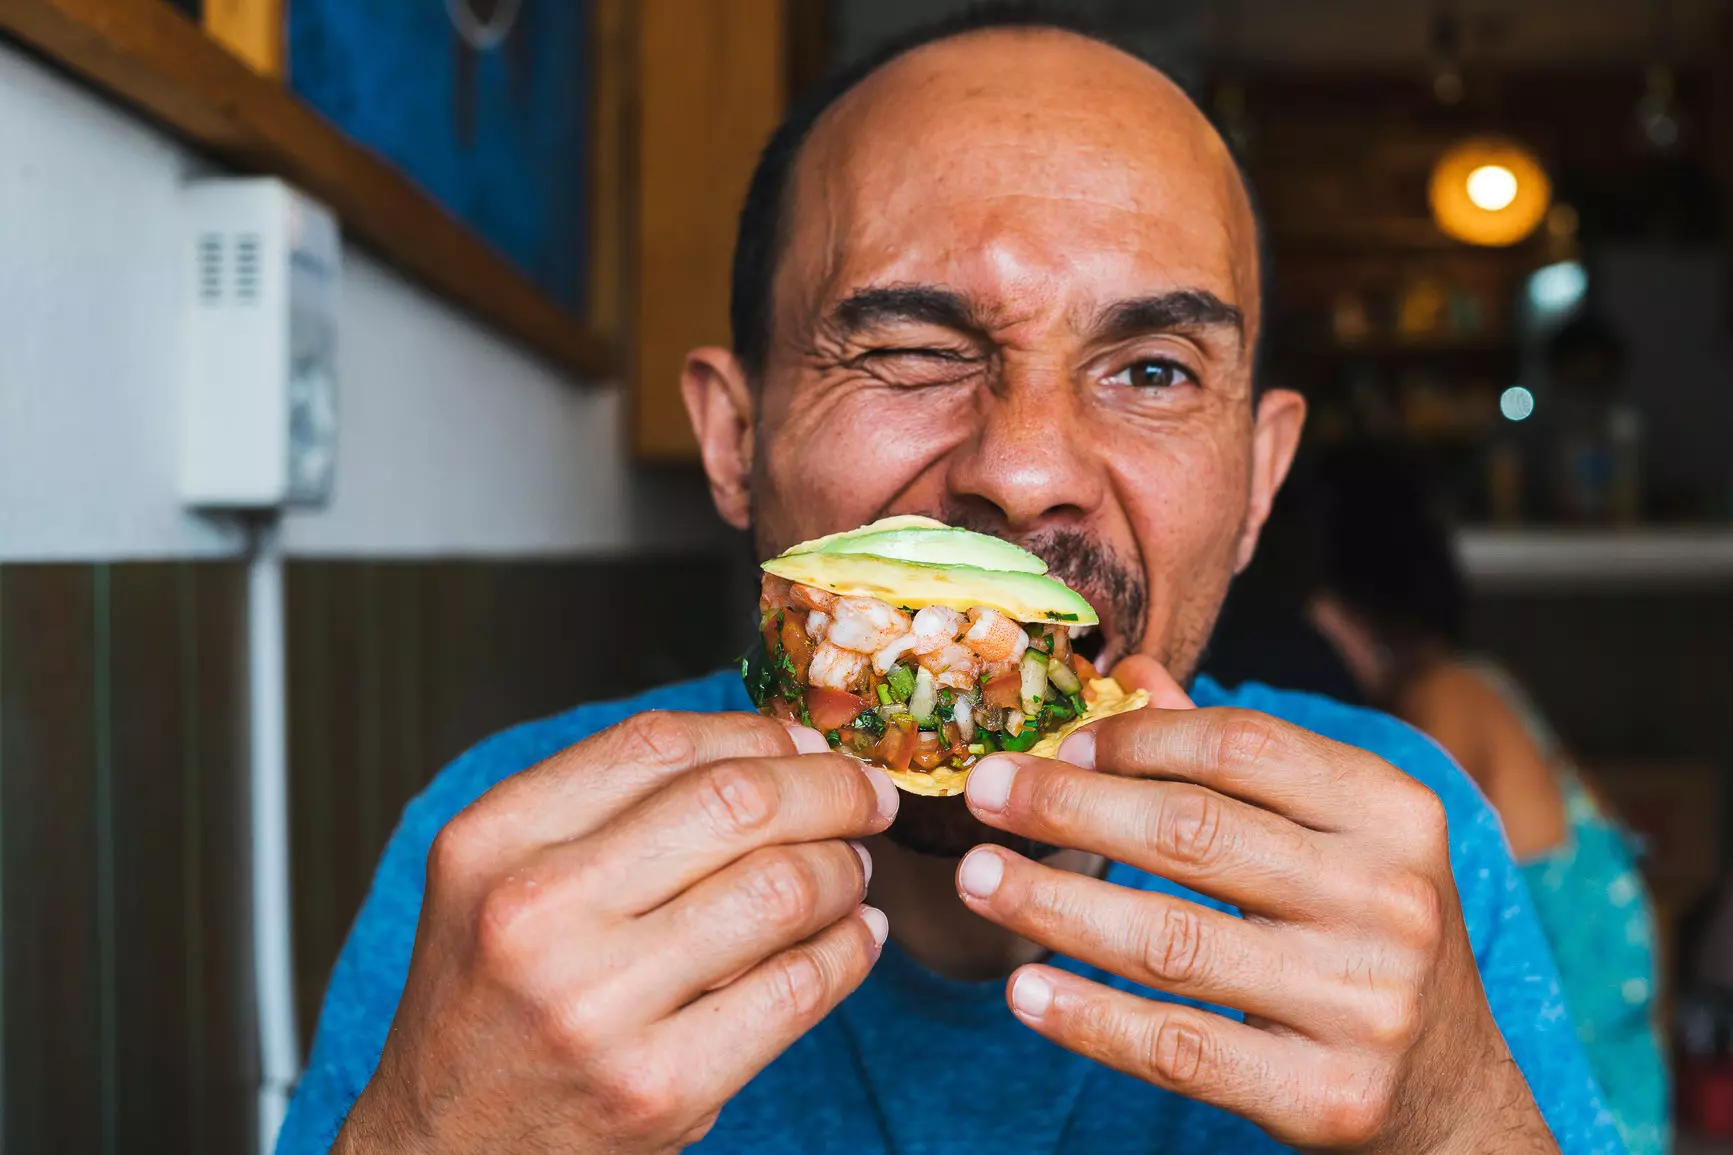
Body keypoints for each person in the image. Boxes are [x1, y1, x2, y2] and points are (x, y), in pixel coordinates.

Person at [280, 12, 1622, 1154]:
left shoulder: (1397, 849)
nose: (1026, 466)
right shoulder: (510, 867)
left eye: (1151, 369)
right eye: (913, 348)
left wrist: (1454, 1109)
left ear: (1260, 479)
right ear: (734, 438)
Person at [1295, 443, 1668, 1155]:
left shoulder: (1438, 706)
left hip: (1548, 1108)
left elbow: (1387, 913)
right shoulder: (1483, 686)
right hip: (1620, 1086)